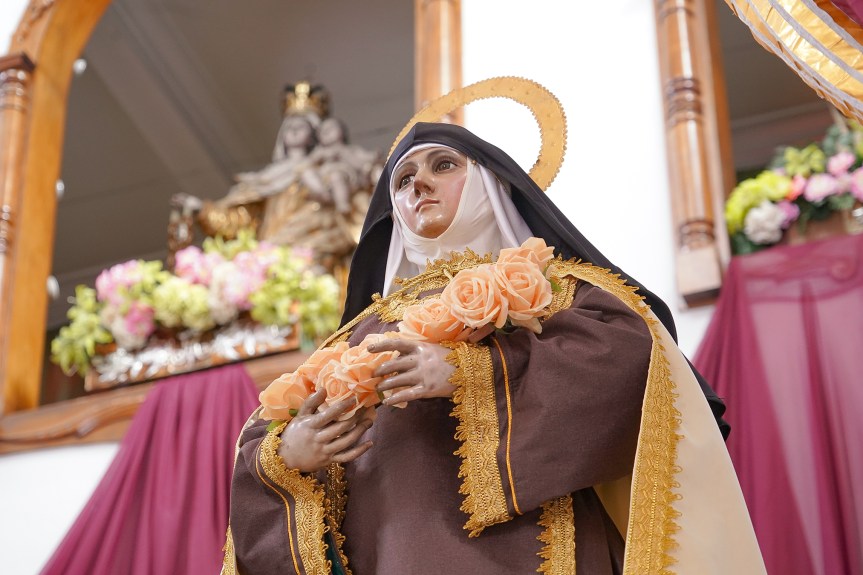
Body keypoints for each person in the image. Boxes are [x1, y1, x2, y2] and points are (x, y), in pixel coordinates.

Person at [222, 122, 765, 574]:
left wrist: (473, 371)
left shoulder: (556, 286)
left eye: (444, 165)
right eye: (403, 179)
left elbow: (631, 363)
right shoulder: (355, 334)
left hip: (530, 549)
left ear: (490, 181)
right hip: (389, 552)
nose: (419, 186)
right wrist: (291, 453)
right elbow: (262, 447)